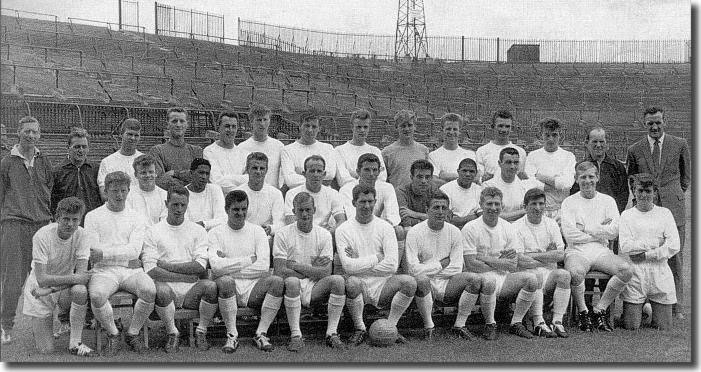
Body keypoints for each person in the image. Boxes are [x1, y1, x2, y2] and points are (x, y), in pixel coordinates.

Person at [626, 107, 690, 319]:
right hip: (645, 210)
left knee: (675, 256)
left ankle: (676, 306)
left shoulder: (680, 144)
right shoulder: (635, 149)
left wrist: (673, 194)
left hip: (674, 206)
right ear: (644, 124)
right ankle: (644, 301)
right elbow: (632, 178)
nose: (654, 127)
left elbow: (685, 178)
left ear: (665, 122)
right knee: (643, 254)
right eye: (650, 123)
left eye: (658, 122)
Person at [84, 171, 155, 356]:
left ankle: (133, 333)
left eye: (123, 190)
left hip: (131, 270)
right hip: (103, 272)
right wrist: (118, 255)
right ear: (106, 191)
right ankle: (114, 333)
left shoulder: (137, 217)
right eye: (114, 191)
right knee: (98, 295)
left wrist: (106, 253)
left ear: (129, 190)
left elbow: (134, 250)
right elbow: (93, 251)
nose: (119, 195)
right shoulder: (92, 216)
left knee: (149, 290)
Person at [336, 184, 417, 345]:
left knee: (409, 282)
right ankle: (360, 329)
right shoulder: (343, 229)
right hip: (359, 283)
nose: (367, 206)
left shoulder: (385, 227)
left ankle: (390, 328)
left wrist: (360, 261)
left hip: (383, 283)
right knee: (351, 282)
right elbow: (348, 267)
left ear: (375, 201)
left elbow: (392, 266)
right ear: (353, 203)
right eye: (362, 202)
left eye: (370, 201)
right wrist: (377, 258)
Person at [404, 190, 489, 340]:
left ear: (448, 210)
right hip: (425, 283)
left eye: (444, 208)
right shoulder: (414, 232)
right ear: (426, 210)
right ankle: (429, 327)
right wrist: (440, 264)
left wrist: (430, 268)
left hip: (448, 282)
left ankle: (459, 325)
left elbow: (456, 267)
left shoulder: (455, 232)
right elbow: (412, 269)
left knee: (475, 279)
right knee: (421, 279)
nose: (440, 212)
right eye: (436, 207)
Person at [142, 186, 218, 352]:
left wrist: (168, 266)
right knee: (160, 291)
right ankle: (172, 333)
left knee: (211, 287)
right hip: (166, 288)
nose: (179, 209)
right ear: (166, 203)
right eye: (174, 204)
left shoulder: (198, 230)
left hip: (192, 290)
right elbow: (150, 269)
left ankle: (201, 330)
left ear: (187, 204)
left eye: (183, 205)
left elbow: (199, 266)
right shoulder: (153, 231)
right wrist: (183, 277)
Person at [208, 190, 284, 352]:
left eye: (244, 209)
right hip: (229, 288)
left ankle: (261, 333)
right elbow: (215, 267)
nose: (240, 213)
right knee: (225, 281)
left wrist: (227, 264)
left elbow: (263, 266)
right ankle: (232, 335)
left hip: (254, 288)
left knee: (277, 282)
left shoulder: (257, 231)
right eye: (236, 209)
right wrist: (249, 260)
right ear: (226, 209)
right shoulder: (215, 233)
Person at [0, 116, 53, 344]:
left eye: (34, 132)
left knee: (47, 279)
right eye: (26, 131)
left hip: (41, 226)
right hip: (15, 225)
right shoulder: (7, 162)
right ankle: (6, 326)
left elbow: (49, 189)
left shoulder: (44, 161)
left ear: (39, 135)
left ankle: (54, 324)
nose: (30, 136)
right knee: (13, 279)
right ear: (18, 133)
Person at [561, 161, 632, 332]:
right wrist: (601, 229)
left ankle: (599, 309)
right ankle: (583, 312)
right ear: (576, 179)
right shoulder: (569, 202)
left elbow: (614, 231)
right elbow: (570, 234)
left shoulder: (608, 201)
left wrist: (586, 228)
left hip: (601, 250)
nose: (587, 181)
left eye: (591, 176)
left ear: (597, 177)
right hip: (576, 251)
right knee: (575, 273)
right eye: (583, 177)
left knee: (626, 270)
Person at [461, 187, 539, 340]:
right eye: (489, 204)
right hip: (478, 278)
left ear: (502, 206)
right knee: (488, 280)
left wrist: (484, 258)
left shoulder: (508, 228)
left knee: (532, 279)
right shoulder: (470, 228)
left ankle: (516, 323)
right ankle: (490, 324)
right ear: (481, 204)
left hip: (503, 278)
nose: (493, 208)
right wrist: (501, 261)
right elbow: (471, 264)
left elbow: (513, 264)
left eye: (497, 204)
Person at [273, 192, 347, 350]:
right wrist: (313, 269)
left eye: (308, 210)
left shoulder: (324, 235)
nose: (305, 214)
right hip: (291, 286)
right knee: (292, 281)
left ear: (314, 209)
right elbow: (279, 271)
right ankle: (296, 335)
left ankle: (332, 333)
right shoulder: (282, 234)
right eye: (300, 210)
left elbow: (326, 273)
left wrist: (295, 265)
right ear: (294, 211)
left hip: (316, 286)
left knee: (338, 281)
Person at [21, 197, 94, 356]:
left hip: (58, 289)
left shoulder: (83, 235)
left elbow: (80, 278)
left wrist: (51, 289)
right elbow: (42, 279)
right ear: (57, 218)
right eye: (66, 219)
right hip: (38, 290)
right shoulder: (42, 235)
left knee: (80, 291)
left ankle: (75, 343)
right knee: (46, 350)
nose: (70, 224)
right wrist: (49, 289)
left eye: (75, 220)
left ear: (80, 220)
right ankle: (43, 326)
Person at [570, 127, 629, 312]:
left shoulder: (617, 166)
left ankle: (604, 308)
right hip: (585, 229)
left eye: (601, 141)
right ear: (587, 143)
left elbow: (622, 194)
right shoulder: (581, 166)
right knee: (583, 267)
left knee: (610, 266)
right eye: (594, 141)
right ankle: (585, 307)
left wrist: (611, 220)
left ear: (607, 143)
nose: (598, 145)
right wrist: (590, 224)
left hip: (608, 224)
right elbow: (574, 194)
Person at [619, 173, 679, 331]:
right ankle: (641, 309)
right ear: (634, 190)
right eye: (640, 190)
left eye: (648, 191)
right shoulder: (626, 216)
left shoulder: (664, 213)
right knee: (631, 326)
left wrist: (647, 254)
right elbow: (625, 246)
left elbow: (674, 245)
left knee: (664, 326)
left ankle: (649, 307)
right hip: (636, 272)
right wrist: (655, 243)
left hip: (660, 270)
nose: (644, 195)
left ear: (655, 192)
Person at [512, 188, 570, 338]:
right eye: (533, 204)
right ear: (525, 206)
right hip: (526, 275)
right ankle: (539, 322)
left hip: (549, 274)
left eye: (541, 204)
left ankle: (557, 322)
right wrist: (547, 255)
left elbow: (560, 255)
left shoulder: (551, 224)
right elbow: (520, 259)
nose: (538, 208)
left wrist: (533, 254)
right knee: (535, 275)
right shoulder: (516, 227)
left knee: (564, 275)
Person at [280, 109, 353, 191]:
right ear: (300, 126)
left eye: (314, 127)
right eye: (307, 126)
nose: (310, 130)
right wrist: (319, 179)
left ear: (319, 128)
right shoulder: (287, 150)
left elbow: (330, 175)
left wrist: (301, 176)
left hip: (324, 194)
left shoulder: (328, 148)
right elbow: (290, 180)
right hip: (298, 194)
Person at [524, 118, 576, 221]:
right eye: (547, 135)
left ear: (560, 136)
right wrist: (555, 183)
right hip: (538, 210)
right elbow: (529, 184)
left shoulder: (568, 156)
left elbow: (566, 184)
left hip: (561, 210)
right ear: (541, 135)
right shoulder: (533, 156)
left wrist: (541, 177)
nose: (551, 139)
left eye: (554, 135)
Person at [339, 153, 402, 237]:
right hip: (355, 230)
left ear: (379, 172)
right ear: (358, 171)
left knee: (399, 230)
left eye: (375, 170)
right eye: (367, 170)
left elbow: (393, 216)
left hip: (380, 229)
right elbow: (352, 217)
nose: (371, 174)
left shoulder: (387, 188)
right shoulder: (346, 190)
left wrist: (381, 227)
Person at [284, 155, 346, 233]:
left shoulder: (333, 194)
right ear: (304, 174)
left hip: (325, 236)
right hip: (300, 235)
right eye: (312, 171)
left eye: (319, 171)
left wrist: (327, 235)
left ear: (324, 174)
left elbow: (341, 221)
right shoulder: (292, 194)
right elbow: (290, 222)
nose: (316, 175)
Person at [50, 128, 101, 223]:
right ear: (68, 147)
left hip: (91, 223)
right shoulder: (57, 172)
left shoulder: (96, 170)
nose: (81, 150)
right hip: (67, 224)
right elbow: (51, 201)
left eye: (84, 147)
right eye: (77, 147)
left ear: (88, 148)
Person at [150, 107, 203, 190]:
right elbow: (160, 181)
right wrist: (186, 179)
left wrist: (174, 173)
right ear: (167, 124)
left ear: (187, 124)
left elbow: (200, 178)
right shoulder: (157, 151)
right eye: (174, 121)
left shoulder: (196, 151)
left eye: (182, 121)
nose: (178, 125)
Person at [483, 148, 543, 222]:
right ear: (499, 163)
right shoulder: (489, 185)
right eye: (508, 162)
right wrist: (524, 211)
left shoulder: (526, 185)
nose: (512, 166)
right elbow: (492, 216)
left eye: (516, 162)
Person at [234, 152, 285, 238]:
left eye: (262, 168)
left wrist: (270, 229)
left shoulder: (275, 194)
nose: (258, 172)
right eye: (254, 168)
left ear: (266, 170)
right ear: (247, 169)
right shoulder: (237, 192)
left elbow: (281, 223)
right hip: (241, 236)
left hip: (265, 237)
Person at [238, 104, 284, 189]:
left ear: (269, 121)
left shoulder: (279, 146)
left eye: (265, 120)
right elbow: (240, 176)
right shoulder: (241, 148)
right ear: (251, 121)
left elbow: (282, 176)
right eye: (259, 120)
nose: (262, 124)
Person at [203, 111, 250, 194]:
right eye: (227, 126)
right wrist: (241, 183)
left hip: (241, 203)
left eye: (234, 127)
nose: (230, 130)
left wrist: (226, 178)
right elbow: (216, 181)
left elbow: (249, 179)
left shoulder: (243, 153)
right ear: (219, 127)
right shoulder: (209, 151)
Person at [381, 109, 430, 190]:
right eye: (403, 126)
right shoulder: (387, 153)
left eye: (410, 125)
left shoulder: (423, 150)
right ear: (397, 127)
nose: (407, 129)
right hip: (397, 197)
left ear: (415, 126)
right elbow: (383, 180)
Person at [334, 109, 388, 182]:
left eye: (365, 127)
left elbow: (382, 177)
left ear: (369, 128)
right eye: (359, 127)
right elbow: (343, 178)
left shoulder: (375, 151)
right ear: (352, 127)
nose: (362, 130)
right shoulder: (339, 151)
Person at [475, 110, 527, 183]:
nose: (504, 130)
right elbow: (479, 179)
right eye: (500, 126)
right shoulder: (482, 151)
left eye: (507, 126)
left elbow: (522, 179)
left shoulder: (521, 152)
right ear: (493, 127)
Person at [98, 118, 143, 200]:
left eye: (136, 135)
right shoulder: (107, 162)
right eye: (129, 134)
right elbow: (104, 195)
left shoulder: (144, 160)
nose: (133, 138)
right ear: (121, 134)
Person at [428, 113, 478, 187]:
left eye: (455, 129)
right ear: (442, 131)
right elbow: (434, 181)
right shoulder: (433, 156)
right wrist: (465, 179)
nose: (451, 132)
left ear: (459, 132)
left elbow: (476, 179)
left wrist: (445, 176)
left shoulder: (470, 155)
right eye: (448, 129)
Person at [439, 158, 483, 229]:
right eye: (464, 171)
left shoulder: (479, 190)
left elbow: (483, 217)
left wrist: (461, 219)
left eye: (471, 171)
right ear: (458, 171)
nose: (468, 174)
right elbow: (448, 220)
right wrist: (475, 216)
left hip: (474, 230)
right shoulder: (445, 190)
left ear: (476, 173)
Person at [125, 154, 167, 226]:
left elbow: (164, 223)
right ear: (135, 175)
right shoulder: (128, 195)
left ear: (156, 173)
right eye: (143, 172)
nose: (148, 175)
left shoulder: (165, 195)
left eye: (151, 172)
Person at [185, 158, 227, 231]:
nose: (204, 177)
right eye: (201, 173)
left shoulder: (215, 189)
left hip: (213, 234)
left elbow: (222, 219)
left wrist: (203, 224)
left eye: (207, 174)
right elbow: (185, 224)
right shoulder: (182, 192)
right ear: (191, 173)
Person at [397, 159, 439, 228]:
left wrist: (415, 214)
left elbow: (445, 216)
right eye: (420, 177)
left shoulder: (434, 190)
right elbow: (406, 221)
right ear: (411, 177)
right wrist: (430, 218)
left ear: (431, 178)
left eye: (427, 177)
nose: (424, 181)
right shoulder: (401, 192)